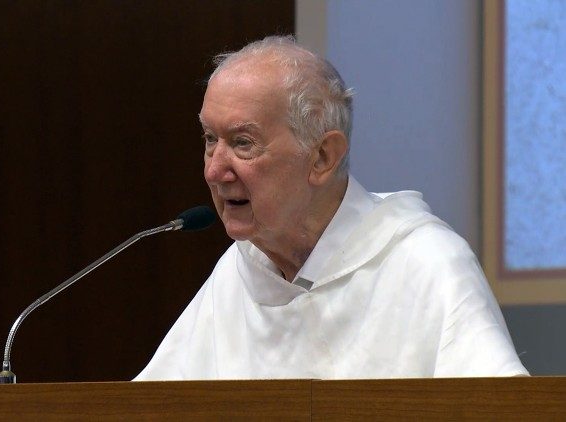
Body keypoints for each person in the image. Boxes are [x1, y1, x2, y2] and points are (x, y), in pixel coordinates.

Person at [135, 35, 528, 380]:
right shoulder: (238, 272)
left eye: (242, 143)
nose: (215, 170)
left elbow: (500, 407)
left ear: (323, 157)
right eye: (209, 139)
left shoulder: (426, 262)